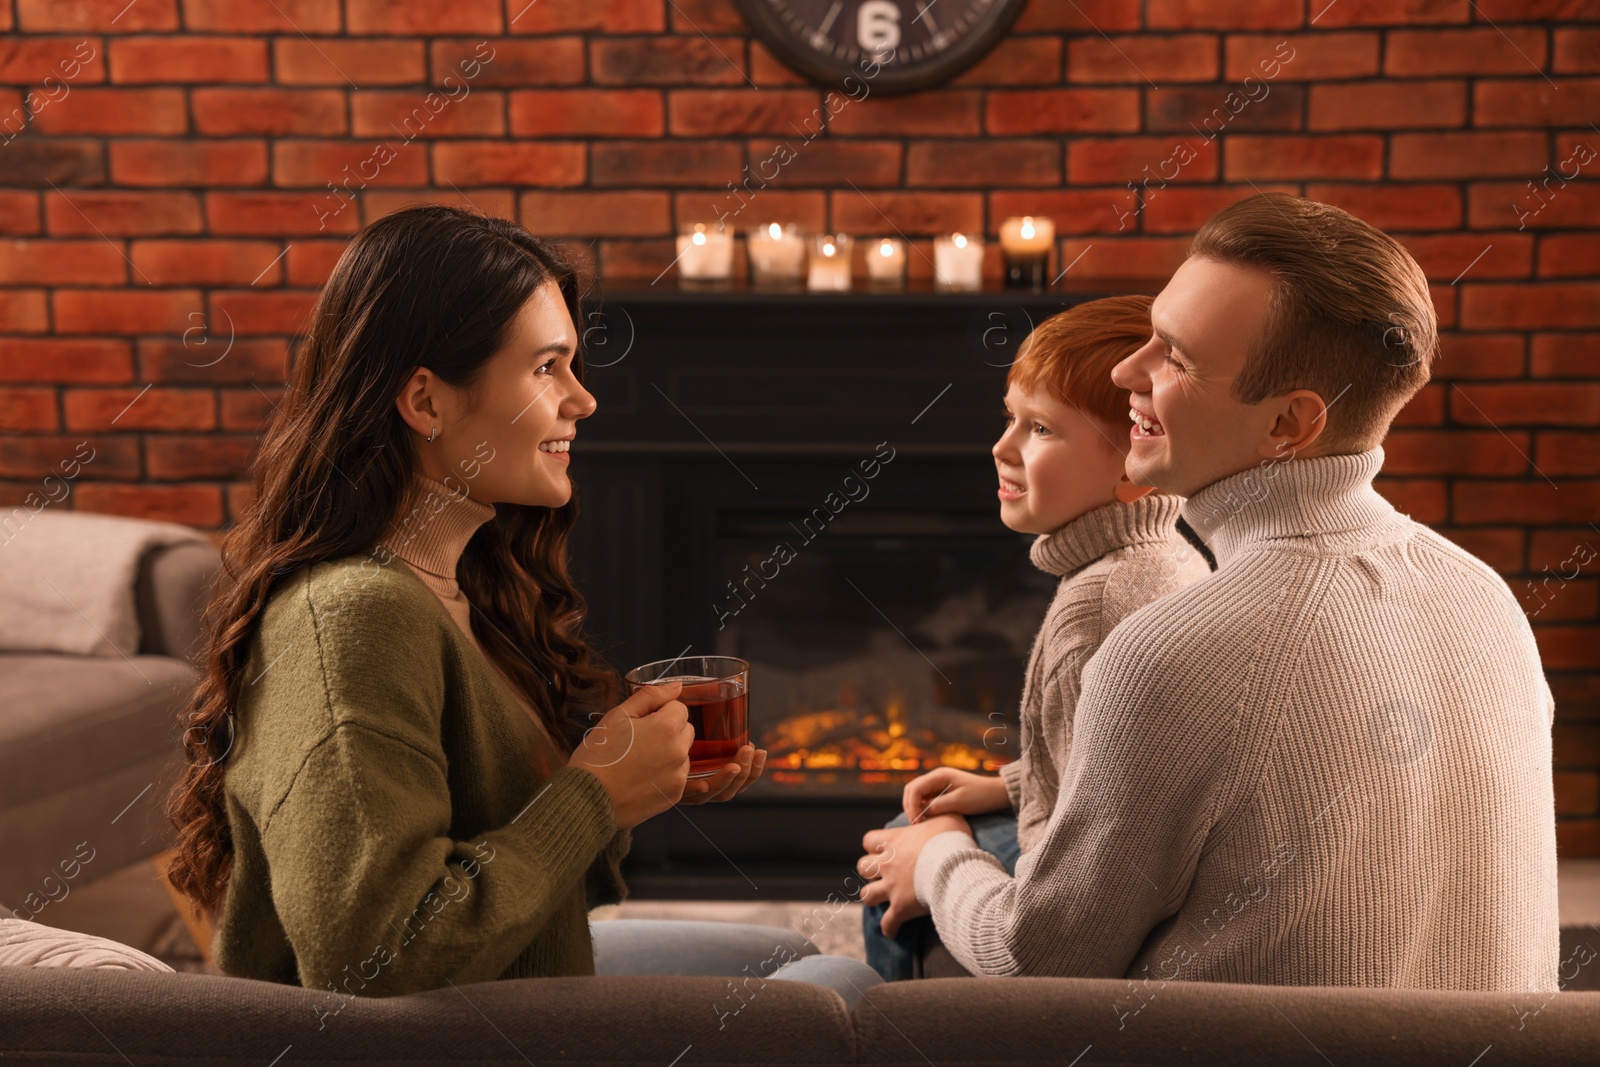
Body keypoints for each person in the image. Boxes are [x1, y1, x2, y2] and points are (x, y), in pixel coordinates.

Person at [163, 205, 881, 1006]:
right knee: (839, 987)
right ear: (426, 402)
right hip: (445, 1044)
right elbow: (374, 958)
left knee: (791, 951)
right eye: (547, 368)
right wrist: (595, 792)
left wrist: (636, 789)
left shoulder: (452, 587)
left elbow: (488, 841)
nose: (584, 401)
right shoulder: (354, 617)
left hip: (503, 987)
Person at [856, 193, 1560, 992]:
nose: (1128, 371)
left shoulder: (1174, 649)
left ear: (1289, 424)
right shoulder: (1486, 595)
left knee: (855, 961)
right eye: (1151, 335)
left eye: (1175, 359)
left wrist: (941, 854)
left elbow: (1038, 960)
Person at [861, 296, 1213, 981]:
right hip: (1104, 862)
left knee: (895, 852)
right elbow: (1119, 773)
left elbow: (1078, 875)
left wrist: (937, 856)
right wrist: (1012, 787)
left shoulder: (1095, 608)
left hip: (1065, 926)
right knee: (916, 826)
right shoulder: (1175, 554)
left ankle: (892, 1017)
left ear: (1132, 466)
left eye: (1041, 428)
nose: (1002, 447)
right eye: (1010, 418)